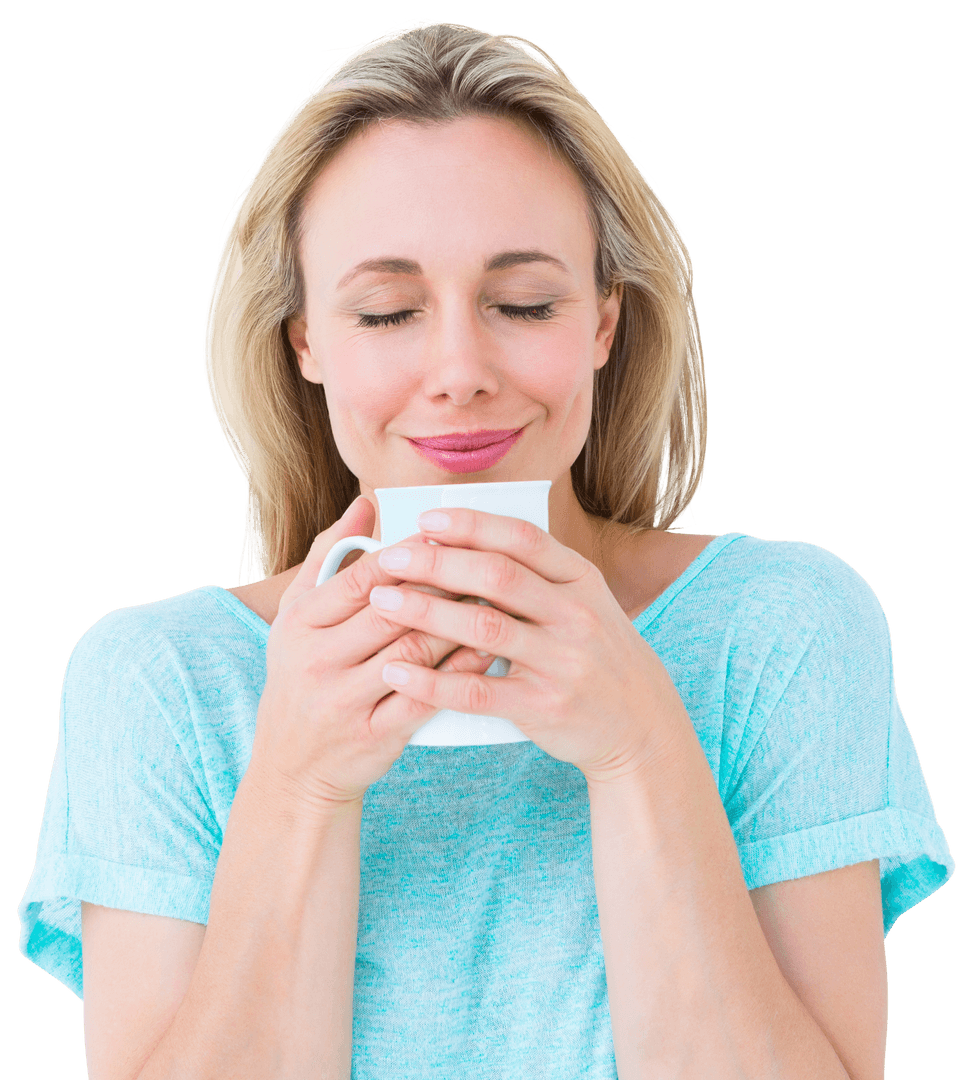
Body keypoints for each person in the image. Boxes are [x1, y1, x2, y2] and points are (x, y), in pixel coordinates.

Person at [16, 18, 954, 1080]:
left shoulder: (782, 628)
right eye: (385, 312)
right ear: (306, 343)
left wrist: (638, 745)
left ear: (602, 322)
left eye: (522, 302)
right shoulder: (161, 684)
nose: (458, 368)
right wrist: (298, 784)